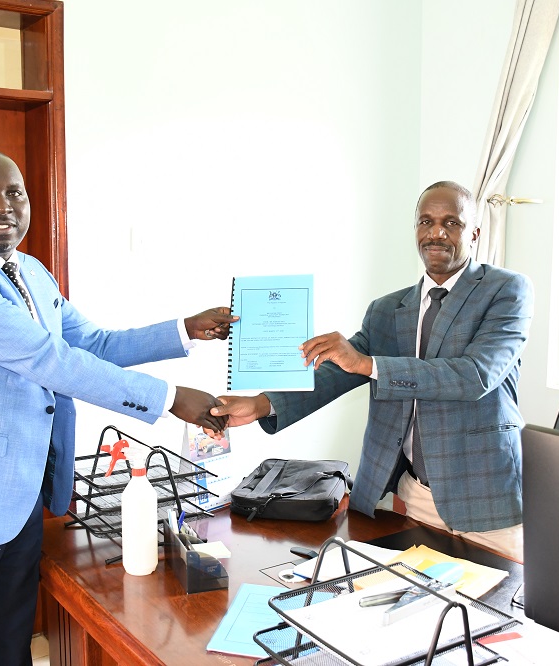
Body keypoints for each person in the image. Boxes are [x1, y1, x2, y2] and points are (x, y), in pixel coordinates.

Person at [0, 149, 236, 666]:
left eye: (14, 193)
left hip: (15, 497)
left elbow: (93, 344)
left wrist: (184, 330)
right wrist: (171, 398)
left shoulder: (29, 271)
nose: (2, 205)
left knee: (10, 648)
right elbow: (49, 360)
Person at [209, 181, 533, 561]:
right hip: (416, 495)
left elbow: (474, 375)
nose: (436, 233)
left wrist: (367, 363)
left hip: (485, 495)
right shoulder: (386, 309)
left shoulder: (506, 291)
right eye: (426, 222)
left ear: (474, 233)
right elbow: (338, 372)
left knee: (496, 598)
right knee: (410, 596)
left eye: (452, 223)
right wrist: (261, 404)